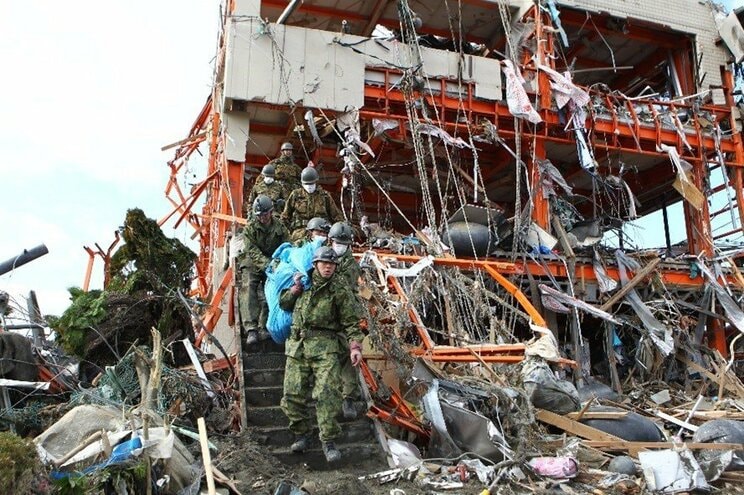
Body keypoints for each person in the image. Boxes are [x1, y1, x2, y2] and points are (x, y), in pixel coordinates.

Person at [279, 246, 363, 463]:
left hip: (325, 346)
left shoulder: (339, 289)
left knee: (327, 394)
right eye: (324, 264)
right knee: (292, 394)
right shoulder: (302, 282)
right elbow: (284, 304)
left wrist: (355, 347)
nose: (328, 267)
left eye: (332, 264)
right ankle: (302, 434)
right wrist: (294, 290)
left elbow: (351, 322)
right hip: (297, 345)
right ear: (315, 264)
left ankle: (328, 441)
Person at [239, 195, 289, 345]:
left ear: (271, 212)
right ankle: (251, 329)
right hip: (253, 262)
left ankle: (265, 326)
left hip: (273, 261)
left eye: (265, 214)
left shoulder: (280, 227)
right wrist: (266, 264)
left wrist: (277, 263)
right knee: (248, 288)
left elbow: (287, 246)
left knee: (273, 289)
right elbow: (252, 251)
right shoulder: (250, 229)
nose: (262, 218)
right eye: (259, 215)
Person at [327, 222, 362, 419]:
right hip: (324, 314)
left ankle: (348, 398)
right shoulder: (323, 255)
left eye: (343, 243)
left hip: (345, 311)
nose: (339, 246)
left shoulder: (350, 265)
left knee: (349, 356)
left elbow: (343, 288)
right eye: (336, 242)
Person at [282, 166, 343, 240]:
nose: (309, 186)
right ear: (302, 183)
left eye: (311, 184)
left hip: (321, 233)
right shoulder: (295, 195)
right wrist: (286, 233)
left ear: (316, 182)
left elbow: (336, 216)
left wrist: (341, 229)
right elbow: (285, 216)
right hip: (300, 233)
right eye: (306, 184)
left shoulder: (325, 196)